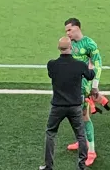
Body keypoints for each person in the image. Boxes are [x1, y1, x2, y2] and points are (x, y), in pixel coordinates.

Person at [39, 37, 95, 170]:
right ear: (71, 47)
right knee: (81, 135)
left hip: (57, 106)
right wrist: (90, 65)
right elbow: (90, 75)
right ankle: (82, 166)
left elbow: (52, 75)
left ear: (59, 48)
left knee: (50, 133)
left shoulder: (52, 64)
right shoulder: (80, 65)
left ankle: (48, 166)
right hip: (75, 106)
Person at [64, 18, 105, 166]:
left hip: (84, 87)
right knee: (75, 115)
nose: (67, 33)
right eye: (66, 31)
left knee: (85, 117)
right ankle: (82, 141)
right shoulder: (70, 44)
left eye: (69, 30)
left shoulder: (89, 44)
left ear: (77, 28)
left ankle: (91, 150)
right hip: (71, 86)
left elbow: (98, 65)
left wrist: (94, 86)